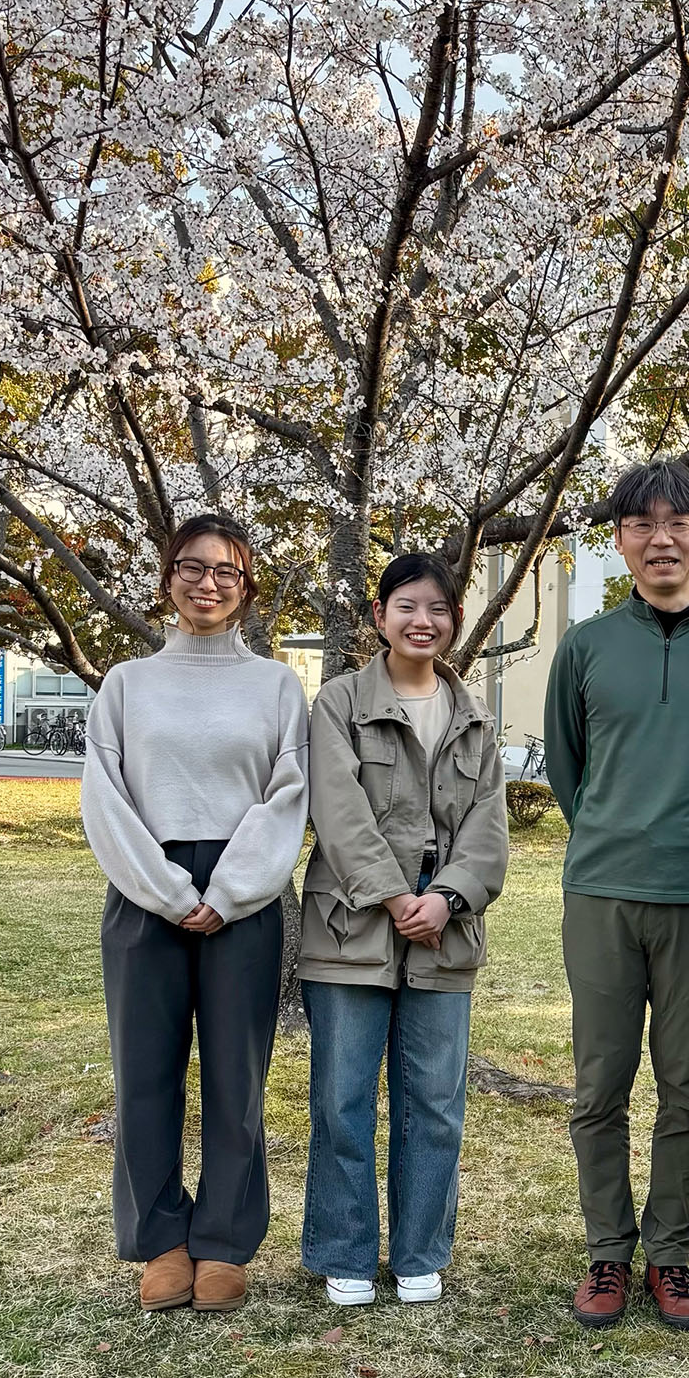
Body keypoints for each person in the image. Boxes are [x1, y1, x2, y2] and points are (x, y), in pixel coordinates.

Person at [544, 460, 689, 1331]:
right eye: (641, 523)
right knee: (599, 1083)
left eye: (680, 522)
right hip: (601, 893)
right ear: (620, 540)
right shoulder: (587, 644)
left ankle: (670, 1256)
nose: (662, 538)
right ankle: (608, 1250)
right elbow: (567, 764)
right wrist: (613, 830)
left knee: (687, 1083)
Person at [81, 512, 309, 1314]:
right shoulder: (126, 683)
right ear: (167, 576)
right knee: (144, 1072)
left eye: (226, 571)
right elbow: (105, 799)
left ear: (246, 587)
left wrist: (230, 890)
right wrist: (172, 892)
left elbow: (289, 795)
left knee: (236, 1076)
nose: (208, 583)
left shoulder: (277, 685)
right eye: (192, 566)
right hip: (147, 889)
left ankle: (223, 1240)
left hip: (243, 898)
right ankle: (162, 1241)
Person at [298, 550, 510, 1307]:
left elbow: (488, 828)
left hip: (445, 927)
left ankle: (421, 1252)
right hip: (350, 923)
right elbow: (337, 809)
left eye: (439, 609)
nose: (424, 621)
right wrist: (394, 898)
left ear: (456, 619)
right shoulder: (339, 702)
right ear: (379, 615)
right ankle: (345, 1253)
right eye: (407, 606)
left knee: (435, 1101)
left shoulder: (473, 716)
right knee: (342, 1097)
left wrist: (446, 898)